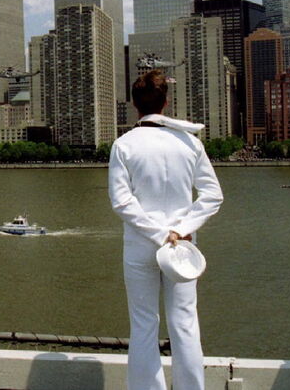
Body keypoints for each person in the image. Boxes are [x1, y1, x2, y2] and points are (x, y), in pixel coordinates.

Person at [108, 70, 224, 390]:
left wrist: (160, 234)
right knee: (185, 323)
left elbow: (121, 202)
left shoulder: (123, 145)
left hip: (141, 244)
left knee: (144, 324)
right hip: (182, 246)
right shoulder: (190, 143)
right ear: (166, 102)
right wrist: (181, 229)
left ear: (134, 105)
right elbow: (213, 195)